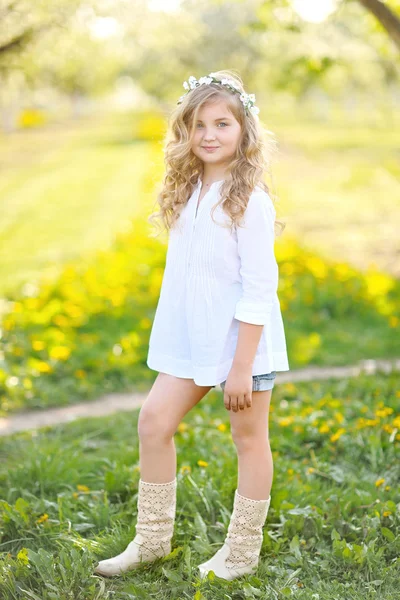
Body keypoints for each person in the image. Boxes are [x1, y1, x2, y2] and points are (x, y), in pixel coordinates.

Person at [94, 69, 290, 581]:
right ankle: (153, 540)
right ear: (184, 131)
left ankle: (241, 553)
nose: (209, 135)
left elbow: (258, 288)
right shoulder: (185, 191)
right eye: (198, 124)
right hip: (192, 339)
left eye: (222, 123)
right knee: (153, 423)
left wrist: (241, 366)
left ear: (244, 130)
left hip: (243, 345)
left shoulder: (251, 201)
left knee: (249, 439)